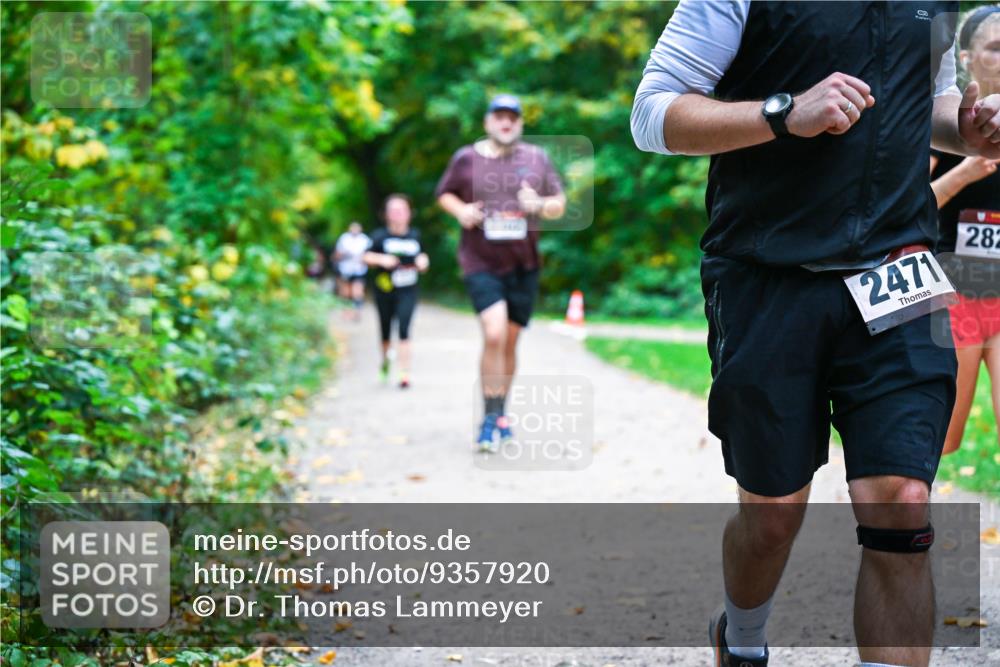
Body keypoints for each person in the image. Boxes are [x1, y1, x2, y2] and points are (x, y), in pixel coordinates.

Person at [631, 2, 1000, 666]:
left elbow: (933, 101)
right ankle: (742, 638)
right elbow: (651, 114)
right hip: (767, 272)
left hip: (899, 268)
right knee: (772, 514)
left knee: (903, 500)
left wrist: (969, 130)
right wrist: (782, 112)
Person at [435, 94, 566, 452]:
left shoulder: (537, 159)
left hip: (524, 264)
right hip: (480, 261)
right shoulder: (466, 159)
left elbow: (559, 204)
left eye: (513, 118)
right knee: (493, 334)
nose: (506, 123)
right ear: (487, 122)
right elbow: (444, 194)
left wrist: (537, 204)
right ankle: (489, 417)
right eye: (499, 117)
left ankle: (499, 413)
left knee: (509, 341)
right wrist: (461, 211)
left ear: (520, 124)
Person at [930, 5, 1000, 456]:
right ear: (966, 58)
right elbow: (905, 209)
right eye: (995, 47)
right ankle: (907, 525)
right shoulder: (946, 124)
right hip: (953, 295)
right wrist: (964, 173)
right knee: (944, 440)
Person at [363, 194, 429, 389]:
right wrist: (381, 260)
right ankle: (385, 362)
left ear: (409, 213)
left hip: (408, 290)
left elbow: (423, 255)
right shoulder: (379, 236)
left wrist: (423, 262)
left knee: (404, 329)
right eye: (393, 210)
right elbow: (365, 256)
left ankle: (404, 373)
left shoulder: (415, 235)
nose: (397, 214)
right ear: (386, 214)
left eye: (401, 210)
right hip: (385, 290)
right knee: (385, 330)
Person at [333, 222, 371, 321]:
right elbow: (337, 254)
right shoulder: (344, 238)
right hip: (345, 269)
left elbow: (369, 254)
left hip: (359, 270)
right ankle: (346, 312)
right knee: (345, 292)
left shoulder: (364, 239)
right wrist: (345, 254)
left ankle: (357, 312)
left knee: (357, 291)